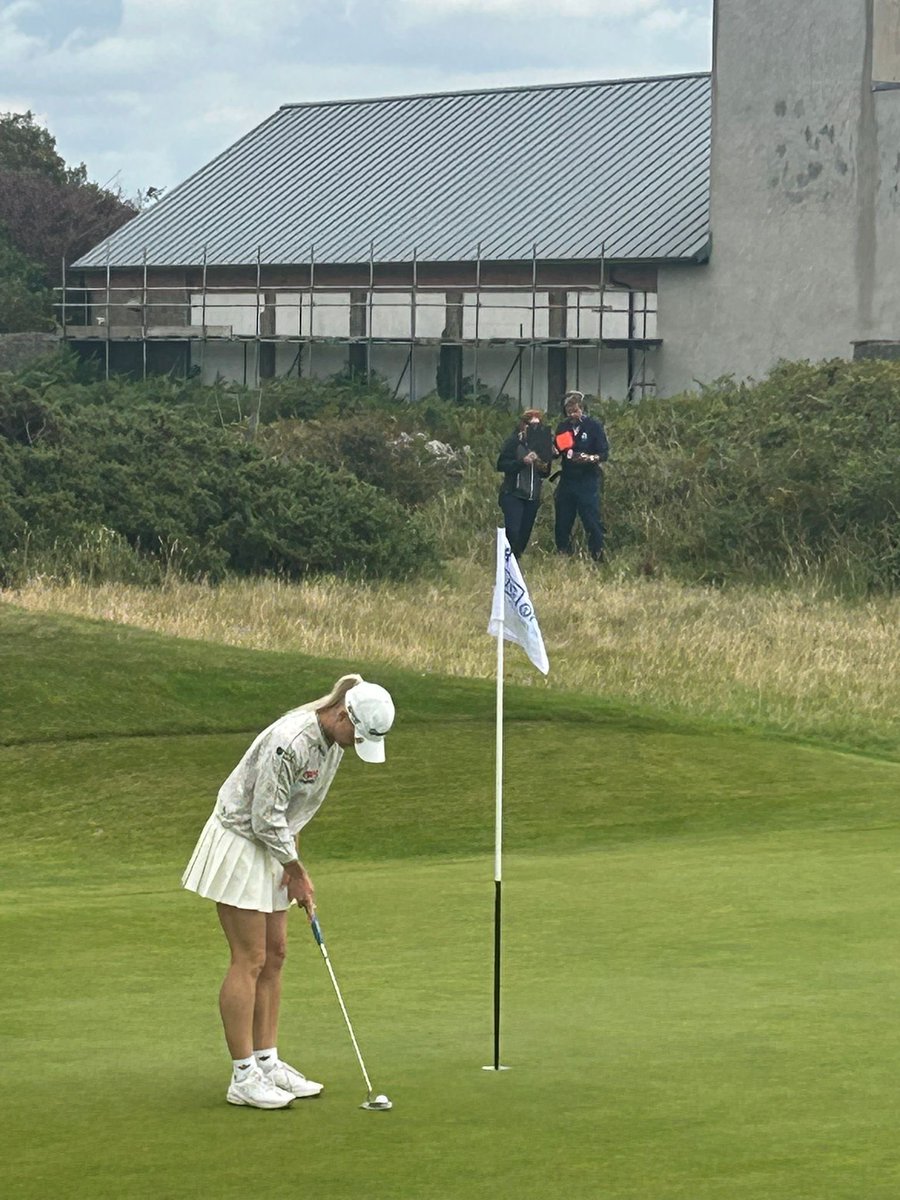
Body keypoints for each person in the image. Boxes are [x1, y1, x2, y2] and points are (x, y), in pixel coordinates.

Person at [182, 673, 395, 1109]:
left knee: (276, 953)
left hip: (275, 847)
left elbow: (293, 810)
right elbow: (263, 815)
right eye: (357, 735)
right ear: (341, 714)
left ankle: (267, 1061)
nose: (356, 745)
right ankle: (243, 1076)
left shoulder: (333, 742)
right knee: (251, 957)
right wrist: (295, 870)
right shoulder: (291, 740)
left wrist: (296, 865)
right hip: (240, 842)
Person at [553, 390, 609, 562]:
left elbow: (604, 453)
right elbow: (559, 451)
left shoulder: (593, 426)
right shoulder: (563, 427)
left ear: (582, 408)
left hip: (587, 479)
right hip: (568, 479)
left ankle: (597, 556)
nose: (572, 412)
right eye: (569, 409)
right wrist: (553, 450)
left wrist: (590, 458)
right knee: (563, 520)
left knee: (591, 520)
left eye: (575, 408)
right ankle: (563, 554)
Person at [495, 408, 552, 558]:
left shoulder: (543, 445)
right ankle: (507, 564)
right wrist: (522, 462)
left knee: (523, 535)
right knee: (513, 532)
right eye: (529, 424)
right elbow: (501, 464)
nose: (532, 428)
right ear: (522, 424)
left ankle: (516, 563)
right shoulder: (514, 442)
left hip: (532, 496)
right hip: (514, 493)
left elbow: (546, 472)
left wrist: (541, 463)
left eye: (537, 425)